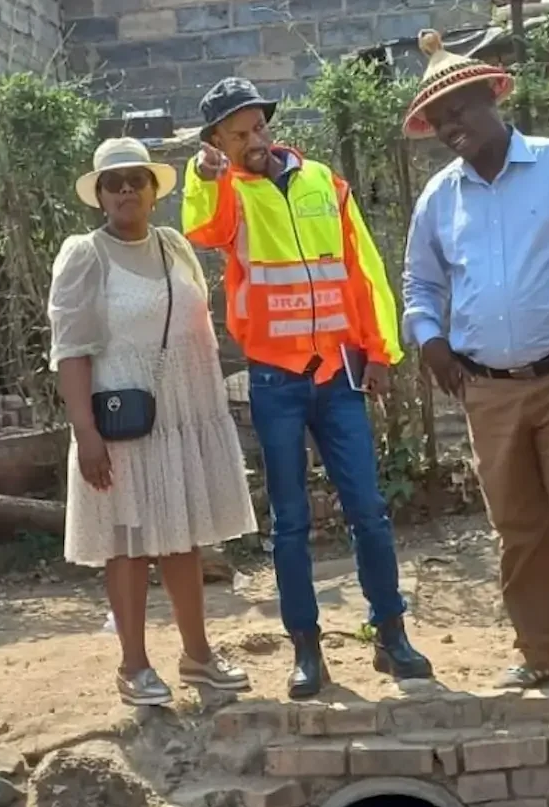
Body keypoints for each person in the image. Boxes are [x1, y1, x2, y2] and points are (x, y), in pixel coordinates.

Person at [402, 30, 549, 696]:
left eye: (461, 110)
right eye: (440, 119)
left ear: (491, 98)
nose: (452, 126)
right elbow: (420, 283)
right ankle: (537, 654)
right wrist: (430, 340)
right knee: (517, 528)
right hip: (489, 389)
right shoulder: (439, 199)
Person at [183, 78, 433, 699]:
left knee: (369, 514)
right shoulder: (229, 194)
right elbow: (202, 231)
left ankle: (390, 635)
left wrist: (381, 351)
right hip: (275, 379)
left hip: (339, 373)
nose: (252, 141)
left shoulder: (326, 182)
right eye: (236, 135)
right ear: (218, 142)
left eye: (257, 128)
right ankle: (306, 649)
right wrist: (204, 174)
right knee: (290, 522)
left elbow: (363, 269)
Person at [50, 138, 255, 707]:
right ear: (99, 195)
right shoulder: (85, 255)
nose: (125, 191)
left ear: (152, 189)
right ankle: (133, 665)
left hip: (186, 412)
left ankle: (198, 656)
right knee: (128, 541)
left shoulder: (174, 247)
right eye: (113, 183)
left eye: (135, 180)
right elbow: (70, 351)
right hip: (123, 418)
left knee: (183, 535)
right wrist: (85, 432)